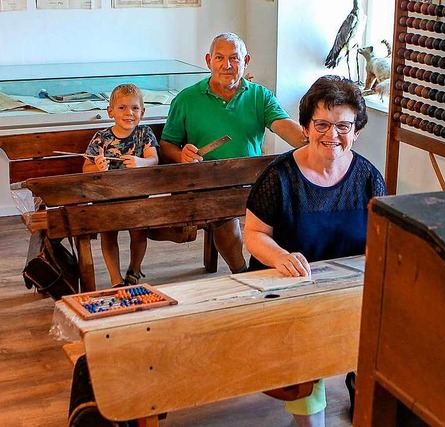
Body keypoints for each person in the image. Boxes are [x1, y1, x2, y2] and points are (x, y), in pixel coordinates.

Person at [244, 75, 387, 427]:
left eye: (342, 126)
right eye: (321, 124)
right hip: (292, 292)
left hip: (346, 292)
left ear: (356, 131)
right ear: (306, 127)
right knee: (309, 373)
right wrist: (280, 256)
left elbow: (383, 239)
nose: (331, 134)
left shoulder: (369, 178)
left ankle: (358, 376)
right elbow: (254, 234)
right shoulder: (278, 177)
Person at [159, 32, 305, 274]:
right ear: (208, 61)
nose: (227, 65)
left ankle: (284, 266)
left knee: (293, 203)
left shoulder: (260, 96)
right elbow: (166, 145)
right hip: (208, 183)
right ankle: (242, 271)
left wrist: (313, 139)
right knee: (224, 216)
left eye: (234, 58)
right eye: (219, 58)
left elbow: (283, 125)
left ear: (246, 61)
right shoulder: (186, 99)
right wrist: (181, 155)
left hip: (253, 181)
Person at [83, 83, 159, 287]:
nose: (129, 113)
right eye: (122, 108)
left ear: (142, 112)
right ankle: (116, 279)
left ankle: (134, 269)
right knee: (108, 235)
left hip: (137, 196)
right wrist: (98, 167)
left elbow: (153, 159)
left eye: (134, 108)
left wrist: (141, 162)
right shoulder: (102, 138)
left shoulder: (145, 134)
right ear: (111, 112)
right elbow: (86, 168)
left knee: (139, 233)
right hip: (107, 198)